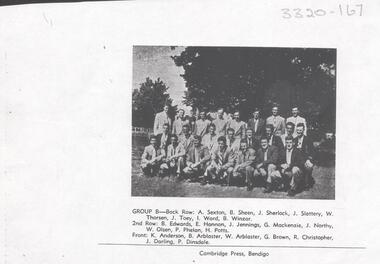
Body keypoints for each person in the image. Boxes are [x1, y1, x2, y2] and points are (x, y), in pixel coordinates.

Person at [294, 123, 315, 190]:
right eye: (297, 130)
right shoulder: (294, 140)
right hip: (297, 160)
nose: (299, 132)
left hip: (305, 159)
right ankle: (296, 183)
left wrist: (309, 159)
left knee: (309, 166)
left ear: (303, 130)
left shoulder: (308, 140)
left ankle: (306, 183)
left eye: (300, 130)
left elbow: (312, 152)